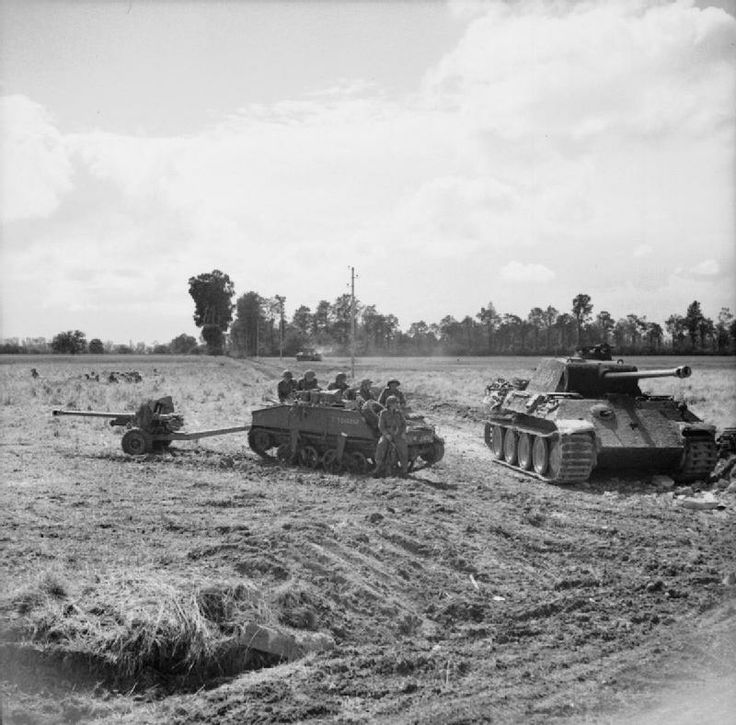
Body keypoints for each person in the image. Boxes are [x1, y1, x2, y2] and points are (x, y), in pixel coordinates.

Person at [373, 395, 409, 478]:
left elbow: (404, 423)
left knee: (403, 449)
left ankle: (404, 470)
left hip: (398, 434)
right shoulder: (384, 413)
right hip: (388, 433)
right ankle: (378, 466)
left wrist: (403, 432)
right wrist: (386, 434)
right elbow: (381, 426)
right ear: (389, 404)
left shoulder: (399, 413)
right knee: (381, 445)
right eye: (395, 403)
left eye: (397, 403)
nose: (397, 404)